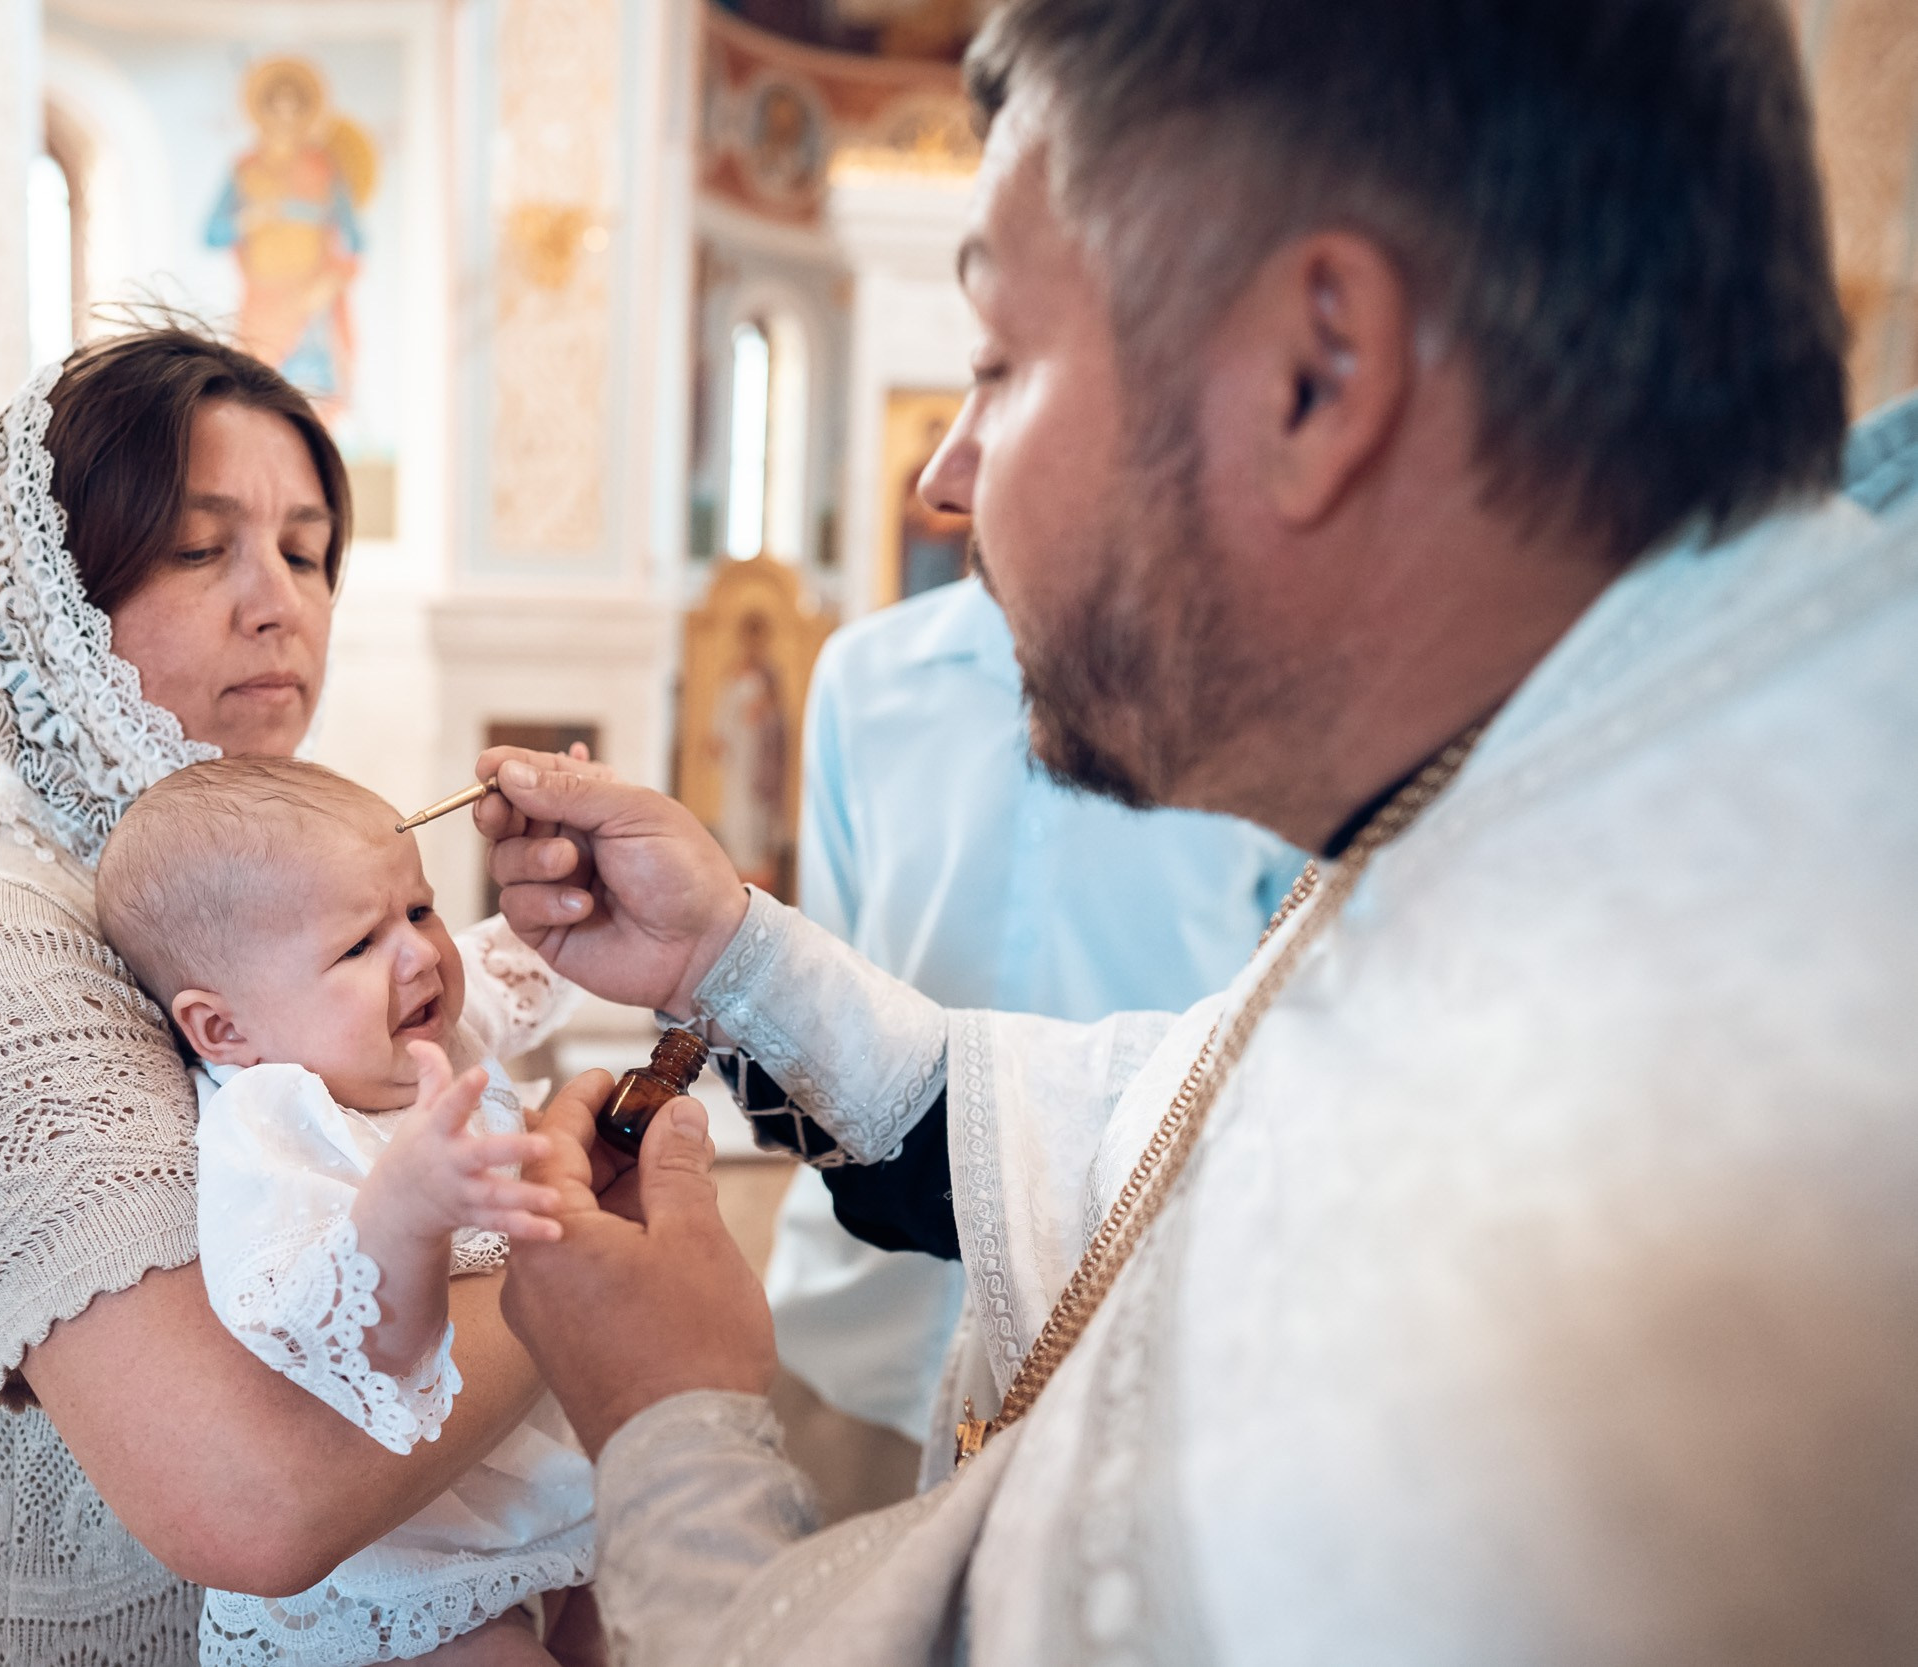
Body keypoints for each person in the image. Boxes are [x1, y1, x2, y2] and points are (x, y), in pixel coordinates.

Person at [467, 2, 1918, 1662]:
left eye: (1004, 362)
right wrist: (732, 956)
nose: (945, 476)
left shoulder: (1596, 1233)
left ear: (1317, 376)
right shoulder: (1622, 775)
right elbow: (1166, 1133)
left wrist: (670, 1421)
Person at [0, 328, 556, 1666]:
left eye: (311, 548)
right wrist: (597, 1261)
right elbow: (254, 1497)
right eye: (202, 549)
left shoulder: (252, 876)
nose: (282, 603)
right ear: (57, 600)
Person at [763, 574, 1301, 1480]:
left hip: (1122, 1338)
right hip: (858, 1320)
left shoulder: (1270, 690)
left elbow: (1275, 1018)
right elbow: (830, 993)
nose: (946, 466)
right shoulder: (865, 675)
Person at [94, 757, 599, 1665]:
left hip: (529, 1522)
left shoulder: (417, 1031)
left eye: (416, 908)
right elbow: (356, 1350)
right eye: (356, 946)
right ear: (225, 1030)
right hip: (402, 1589)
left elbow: (514, 962)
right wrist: (408, 1210)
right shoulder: (274, 1128)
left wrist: (575, 872)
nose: (416, 952)